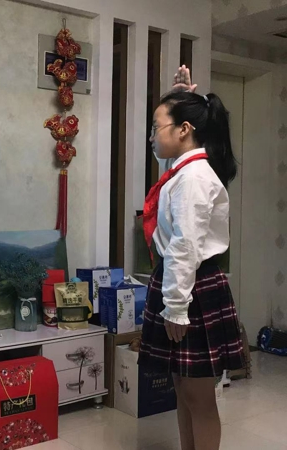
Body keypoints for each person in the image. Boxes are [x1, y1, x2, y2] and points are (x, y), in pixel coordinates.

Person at [138, 66, 244, 450]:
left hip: (192, 288)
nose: (152, 136)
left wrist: (176, 308)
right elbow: (171, 167)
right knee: (183, 390)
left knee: (198, 397)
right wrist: (178, 95)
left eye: (157, 127)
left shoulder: (194, 177)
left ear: (184, 129)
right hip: (184, 283)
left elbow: (185, 245)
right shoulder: (183, 170)